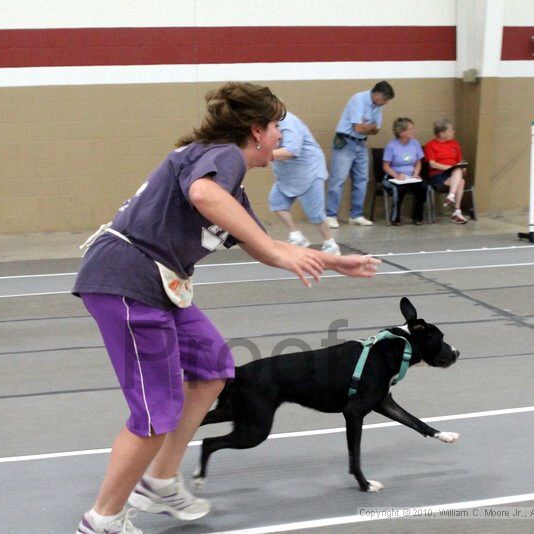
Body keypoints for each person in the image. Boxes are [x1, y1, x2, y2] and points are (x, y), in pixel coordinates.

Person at [71, 82, 381, 534]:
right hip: (129, 280)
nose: (281, 137)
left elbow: (263, 244)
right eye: (277, 127)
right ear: (256, 131)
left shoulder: (229, 181)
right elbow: (203, 197)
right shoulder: (222, 157)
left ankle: (158, 481)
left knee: (214, 365)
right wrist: (282, 254)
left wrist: (336, 261)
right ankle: (103, 520)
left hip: (161, 285)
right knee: (156, 411)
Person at [325, 80, 395, 228]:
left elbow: (376, 130)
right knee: (338, 180)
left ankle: (356, 215)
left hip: (361, 143)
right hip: (345, 141)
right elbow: (358, 128)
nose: (385, 103)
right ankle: (330, 215)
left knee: (362, 179)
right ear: (376, 94)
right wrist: (368, 127)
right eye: (384, 99)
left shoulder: (378, 106)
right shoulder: (358, 99)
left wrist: (366, 127)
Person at [270, 110, 340, 255]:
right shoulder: (268, 123)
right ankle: (296, 236)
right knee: (276, 202)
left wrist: (265, 154)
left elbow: (291, 150)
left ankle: (330, 243)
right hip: (289, 174)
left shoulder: (289, 123)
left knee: (315, 213)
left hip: (309, 171)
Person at [382, 118, 427, 226]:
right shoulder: (391, 146)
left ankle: (417, 216)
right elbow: (386, 166)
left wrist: (416, 173)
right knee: (400, 189)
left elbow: (418, 162)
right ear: (402, 132)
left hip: (410, 176)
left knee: (423, 187)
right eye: (411, 129)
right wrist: (396, 175)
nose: (414, 130)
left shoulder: (415, 143)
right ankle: (395, 217)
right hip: (394, 176)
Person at [424, 119, 469, 224]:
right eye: (450, 130)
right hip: (437, 175)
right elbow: (432, 164)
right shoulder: (430, 145)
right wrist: (450, 168)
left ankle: (451, 199)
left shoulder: (454, 144)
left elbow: (460, 160)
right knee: (460, 180)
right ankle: (456, 211)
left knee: (459, 175)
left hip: (453, 174)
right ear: (441, 133)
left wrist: (463, 167)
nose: (453, 132)